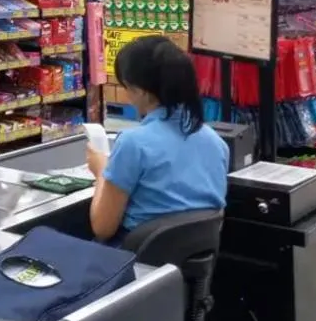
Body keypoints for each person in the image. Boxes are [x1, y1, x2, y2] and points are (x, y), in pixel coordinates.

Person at [86, 35, 229, 243]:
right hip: (188, 267)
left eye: (127, 88)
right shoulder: (217, 143)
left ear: (140, 91)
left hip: (133, 266)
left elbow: (102, 227)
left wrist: (101, 172)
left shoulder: (133, 143)